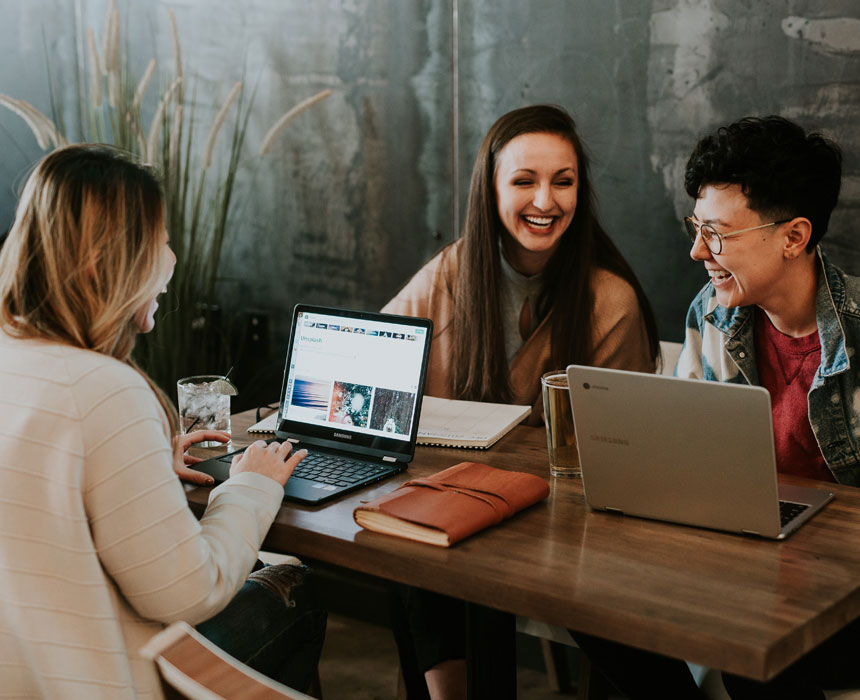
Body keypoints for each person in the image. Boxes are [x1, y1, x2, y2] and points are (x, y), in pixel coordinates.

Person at [0, 144, 325, 698]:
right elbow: (187, 593)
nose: (172, 258)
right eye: (161, 240)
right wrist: (250, 487)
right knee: (296, 584)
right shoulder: (104, 389)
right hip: (93, 680)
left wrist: (144, 462)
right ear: (110, 260)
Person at [576, 115, 860, 699]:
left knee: (754, 649)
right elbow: (689, 466)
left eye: (718, 234)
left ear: (793, 236)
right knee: (590, 602)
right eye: (696, 227)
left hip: (841, 588)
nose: (696, 250)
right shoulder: (713, 313)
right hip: (747, 555)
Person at [382, 104, 660, 700]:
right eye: (524, 181)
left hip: (562, 526)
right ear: (491, 189)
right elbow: (382, 360)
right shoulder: (455, 270)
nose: (546, 200)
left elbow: (618, 455)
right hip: (457, 504)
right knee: (407, 539)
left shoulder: (610, 301)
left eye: (564, 181)